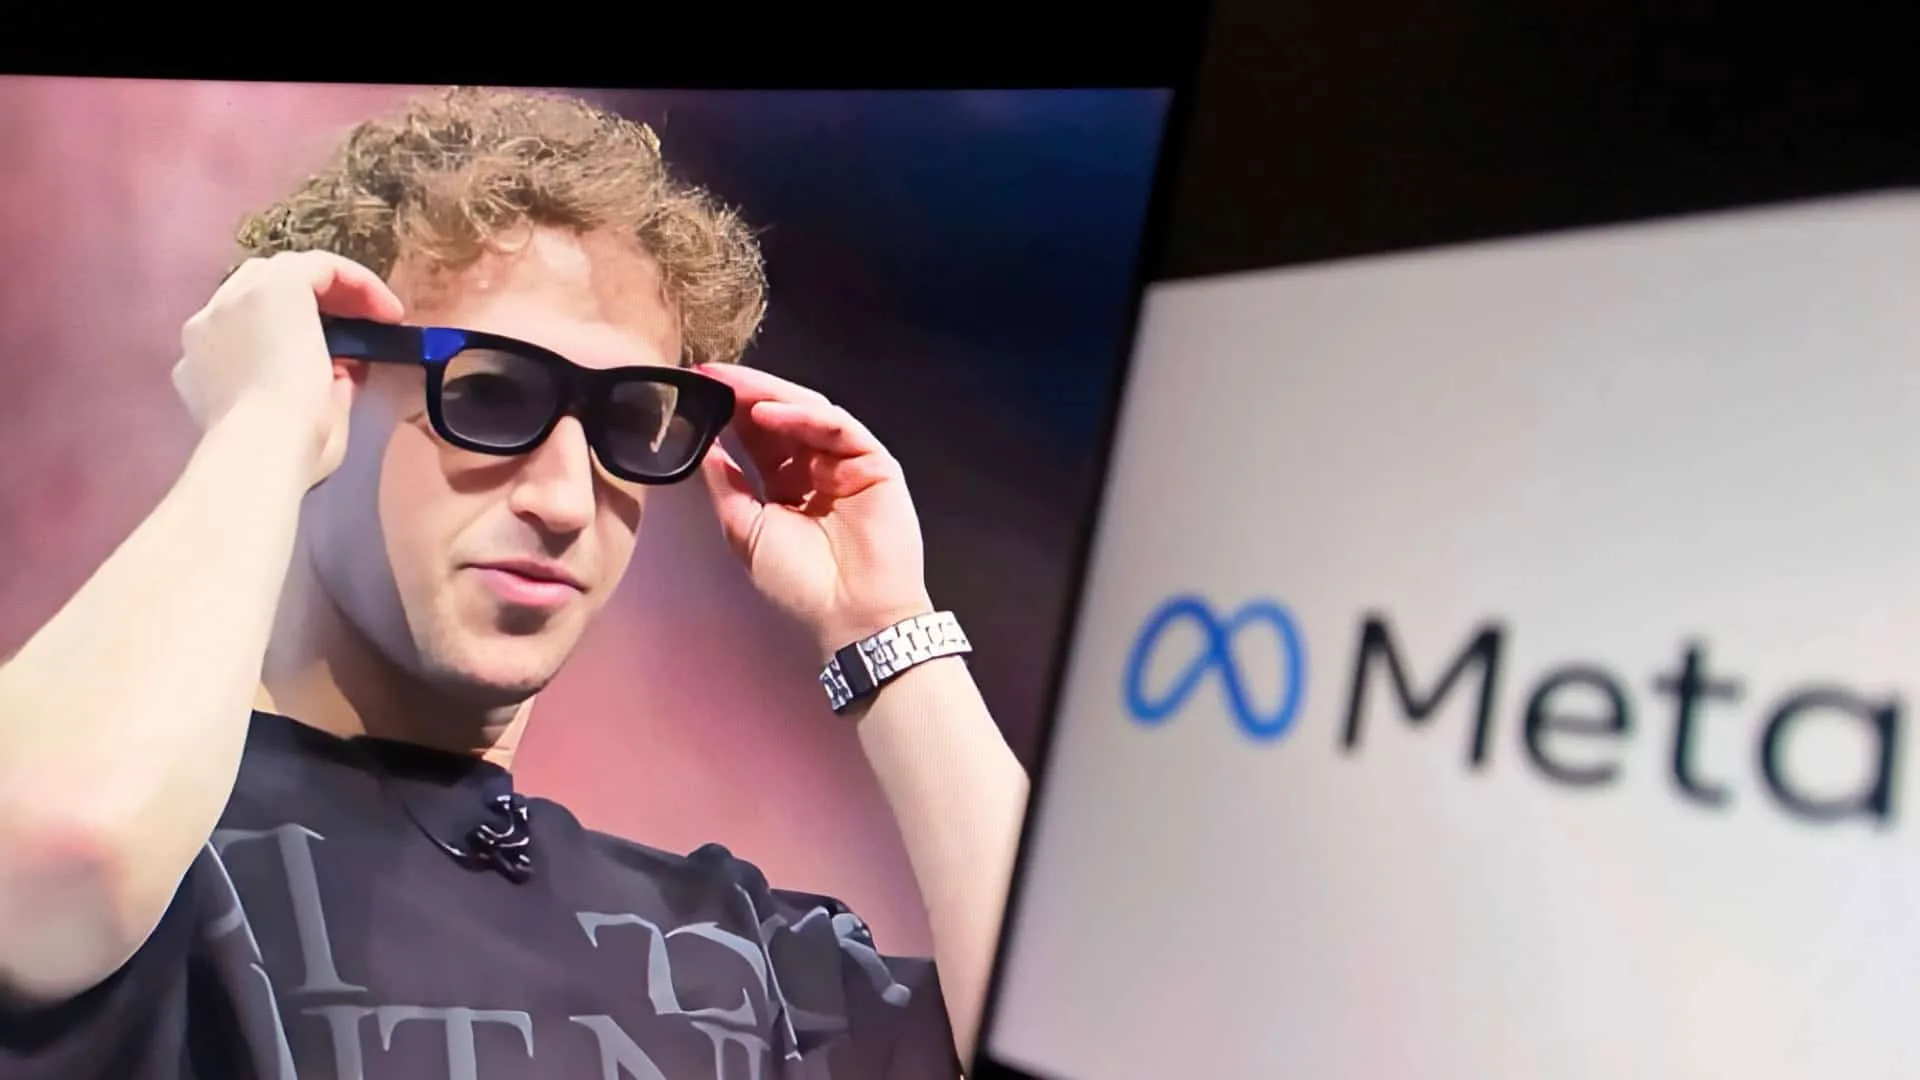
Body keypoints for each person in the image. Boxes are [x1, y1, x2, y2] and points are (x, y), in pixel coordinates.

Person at [0, 86, 1029, 1080]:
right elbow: (55, 860)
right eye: (491, 395)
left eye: (629, 422)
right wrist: (258, 421)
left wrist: (885, 625)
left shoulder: (733, 954)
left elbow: (1074, 1039)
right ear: (327, 386)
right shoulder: (156, 852)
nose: (567, 501)